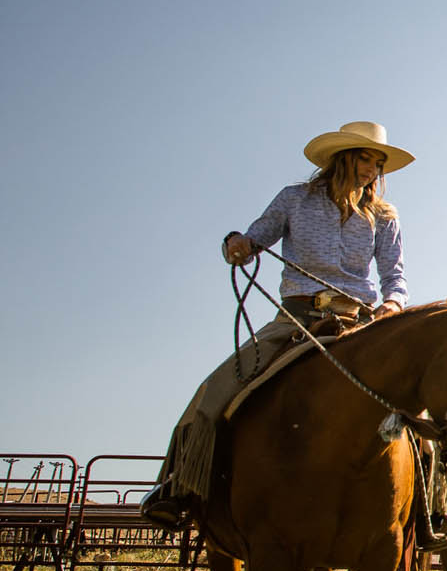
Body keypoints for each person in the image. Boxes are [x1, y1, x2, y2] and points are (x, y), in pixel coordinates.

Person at [141, 121, 413, 529]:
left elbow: (395, 277)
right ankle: (177, 487)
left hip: (359, 323)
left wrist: (392, 305)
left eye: (378, 162)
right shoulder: (295, 200)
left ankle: (429, 513)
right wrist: (238, 245)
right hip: (296, 320)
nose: (373, 168)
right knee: (215, 390)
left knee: (418, 404)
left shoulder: (384, 217)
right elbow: (255, 238)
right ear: (343, 158)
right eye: (365, 157)